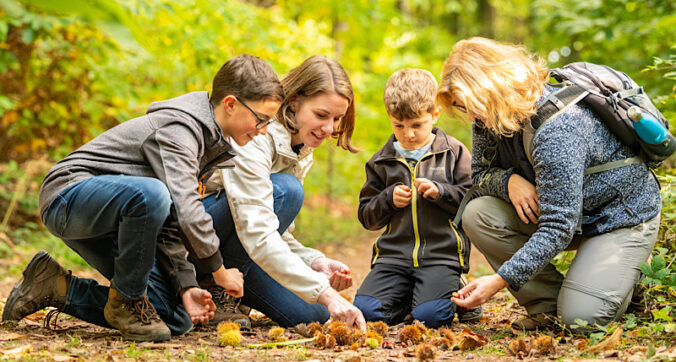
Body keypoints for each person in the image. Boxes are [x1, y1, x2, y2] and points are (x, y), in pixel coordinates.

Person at [2, 55, 284, 341]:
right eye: (261, 119)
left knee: (174, 317)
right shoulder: (180, 129)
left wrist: (187, 286)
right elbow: (187, 210)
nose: (262, 131)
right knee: (152, 193)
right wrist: (219, 272)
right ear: (231, 104)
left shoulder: (209, 143)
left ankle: (55, 286)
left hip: (119, 221)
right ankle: (127, 301)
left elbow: (173, 222)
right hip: (68, 197)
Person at [438, 37, 662, 331]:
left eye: (470, 105)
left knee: (583, 320)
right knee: (478, 214)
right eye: (460, 107)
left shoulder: (557, 127)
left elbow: (558, 225)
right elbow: (479, 173)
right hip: (572, 215)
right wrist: (509, 182)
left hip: (620, 218)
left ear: (491, 88)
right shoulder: (488, 117)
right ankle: (549, 306)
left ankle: (619, 280)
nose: (471, 116)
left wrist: (499, 281)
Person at [195, 55, 367, 331]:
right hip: (199, 237)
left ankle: (234, 287)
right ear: (294, 101)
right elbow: (257, 228)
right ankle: (219, 290)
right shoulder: (256, 135)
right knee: (288, 191)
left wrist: (315, 262)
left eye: (337, 118)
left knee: (312, 314)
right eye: (322, 115)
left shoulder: (299, 148)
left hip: (243, 245)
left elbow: (274, 227)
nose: (329, 128)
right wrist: (328, 293)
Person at [353, 68, 479, 328]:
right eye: (399, 125)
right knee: (365, 312)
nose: (408, 134)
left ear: (435, 115)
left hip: (440, 257)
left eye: (416, 125)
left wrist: (441, 193)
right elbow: (367, 217)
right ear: (390, 117)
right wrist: (388, 199)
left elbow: (472, 198)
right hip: (392, 259)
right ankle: (413, 297)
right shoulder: (381, 161)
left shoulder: (454, 153)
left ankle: (451, 290)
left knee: (431, 318)